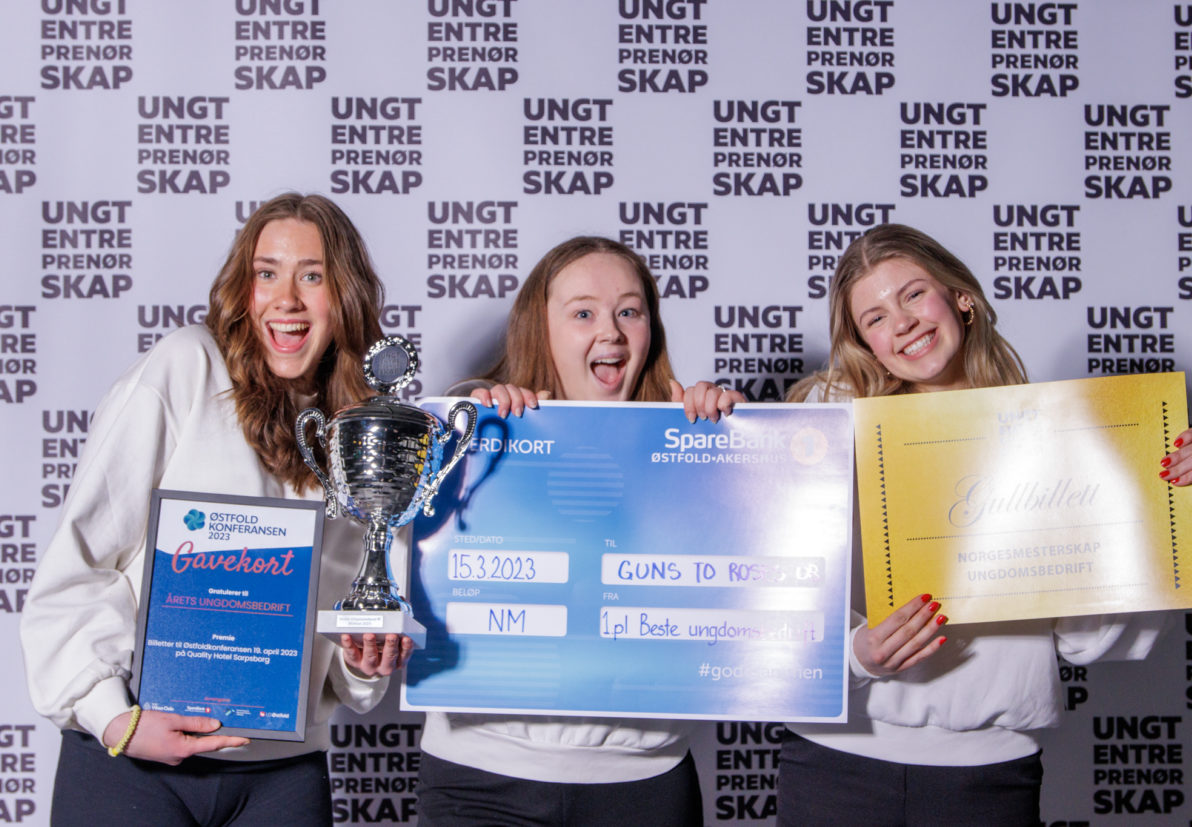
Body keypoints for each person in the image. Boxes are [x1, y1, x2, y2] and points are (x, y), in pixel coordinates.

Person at [778, 224, 1192, 826]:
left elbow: (1086, 641)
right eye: (874, 318)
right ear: (865, 344)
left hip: (988, 772)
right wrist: (853, 652)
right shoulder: (823, 422)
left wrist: (1161, 509)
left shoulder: (1056, 433)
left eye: (913, 294)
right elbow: (775, 599)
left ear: (961, 296)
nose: (901, 323)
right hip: (834, 761)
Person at [21, 193, 414, 826]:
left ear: (345, 295)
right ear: (243, 289)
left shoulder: (368, 432)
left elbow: (347, 637)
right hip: (135, 761)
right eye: (267, 274)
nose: (287, 299)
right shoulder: (187, 366)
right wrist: (112, 717)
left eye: (312, 276)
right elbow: (81, 562)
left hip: (281, 774)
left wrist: (361, 658)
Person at [416, 236, 743, 826]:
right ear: (540, 329)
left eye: (629, 311)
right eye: (584, 313)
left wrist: (732, 443)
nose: (611, 331)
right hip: (479, 779)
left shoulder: (697, 438)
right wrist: (474, 417)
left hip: (643, 785)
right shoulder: (478, 429)